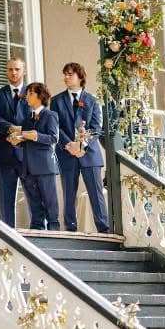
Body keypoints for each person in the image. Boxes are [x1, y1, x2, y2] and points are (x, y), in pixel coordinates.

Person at [50, 63, 109, 234]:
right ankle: (70, 228)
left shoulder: (92, 100)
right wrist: (70, 145)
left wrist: (82, 144)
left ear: (80, 77)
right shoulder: (56, 101)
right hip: (67, 153)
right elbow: (56, 127)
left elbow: (97, 127)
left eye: (70, 74)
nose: (66, 77)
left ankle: (103, 229)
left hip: (89, 153)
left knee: (96, 194)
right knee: (69, 193)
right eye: (65, 74)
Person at [9, 82, 60, 231]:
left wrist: (34, 135)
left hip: (45, 167)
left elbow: (53, 138)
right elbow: (25, 142)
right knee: (35, 206)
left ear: (40, 96)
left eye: (30, 93)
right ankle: (37, 235)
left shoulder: (50, 115)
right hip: (27, 168)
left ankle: (55, 235)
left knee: (50, 205)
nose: (27, 96)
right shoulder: (27, 119)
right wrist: (16, 141)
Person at [0, 57, 30, 228]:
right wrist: (12, 128)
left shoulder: (33, 93)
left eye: (17, 69)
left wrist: (22, 132)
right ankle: (8, 235)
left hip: (28, 154)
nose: (13, 73)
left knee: (34, 200)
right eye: (10, 69)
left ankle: (39, 236)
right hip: (4, 155)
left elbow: (39, 117)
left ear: (24, 71)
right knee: (6, 200)